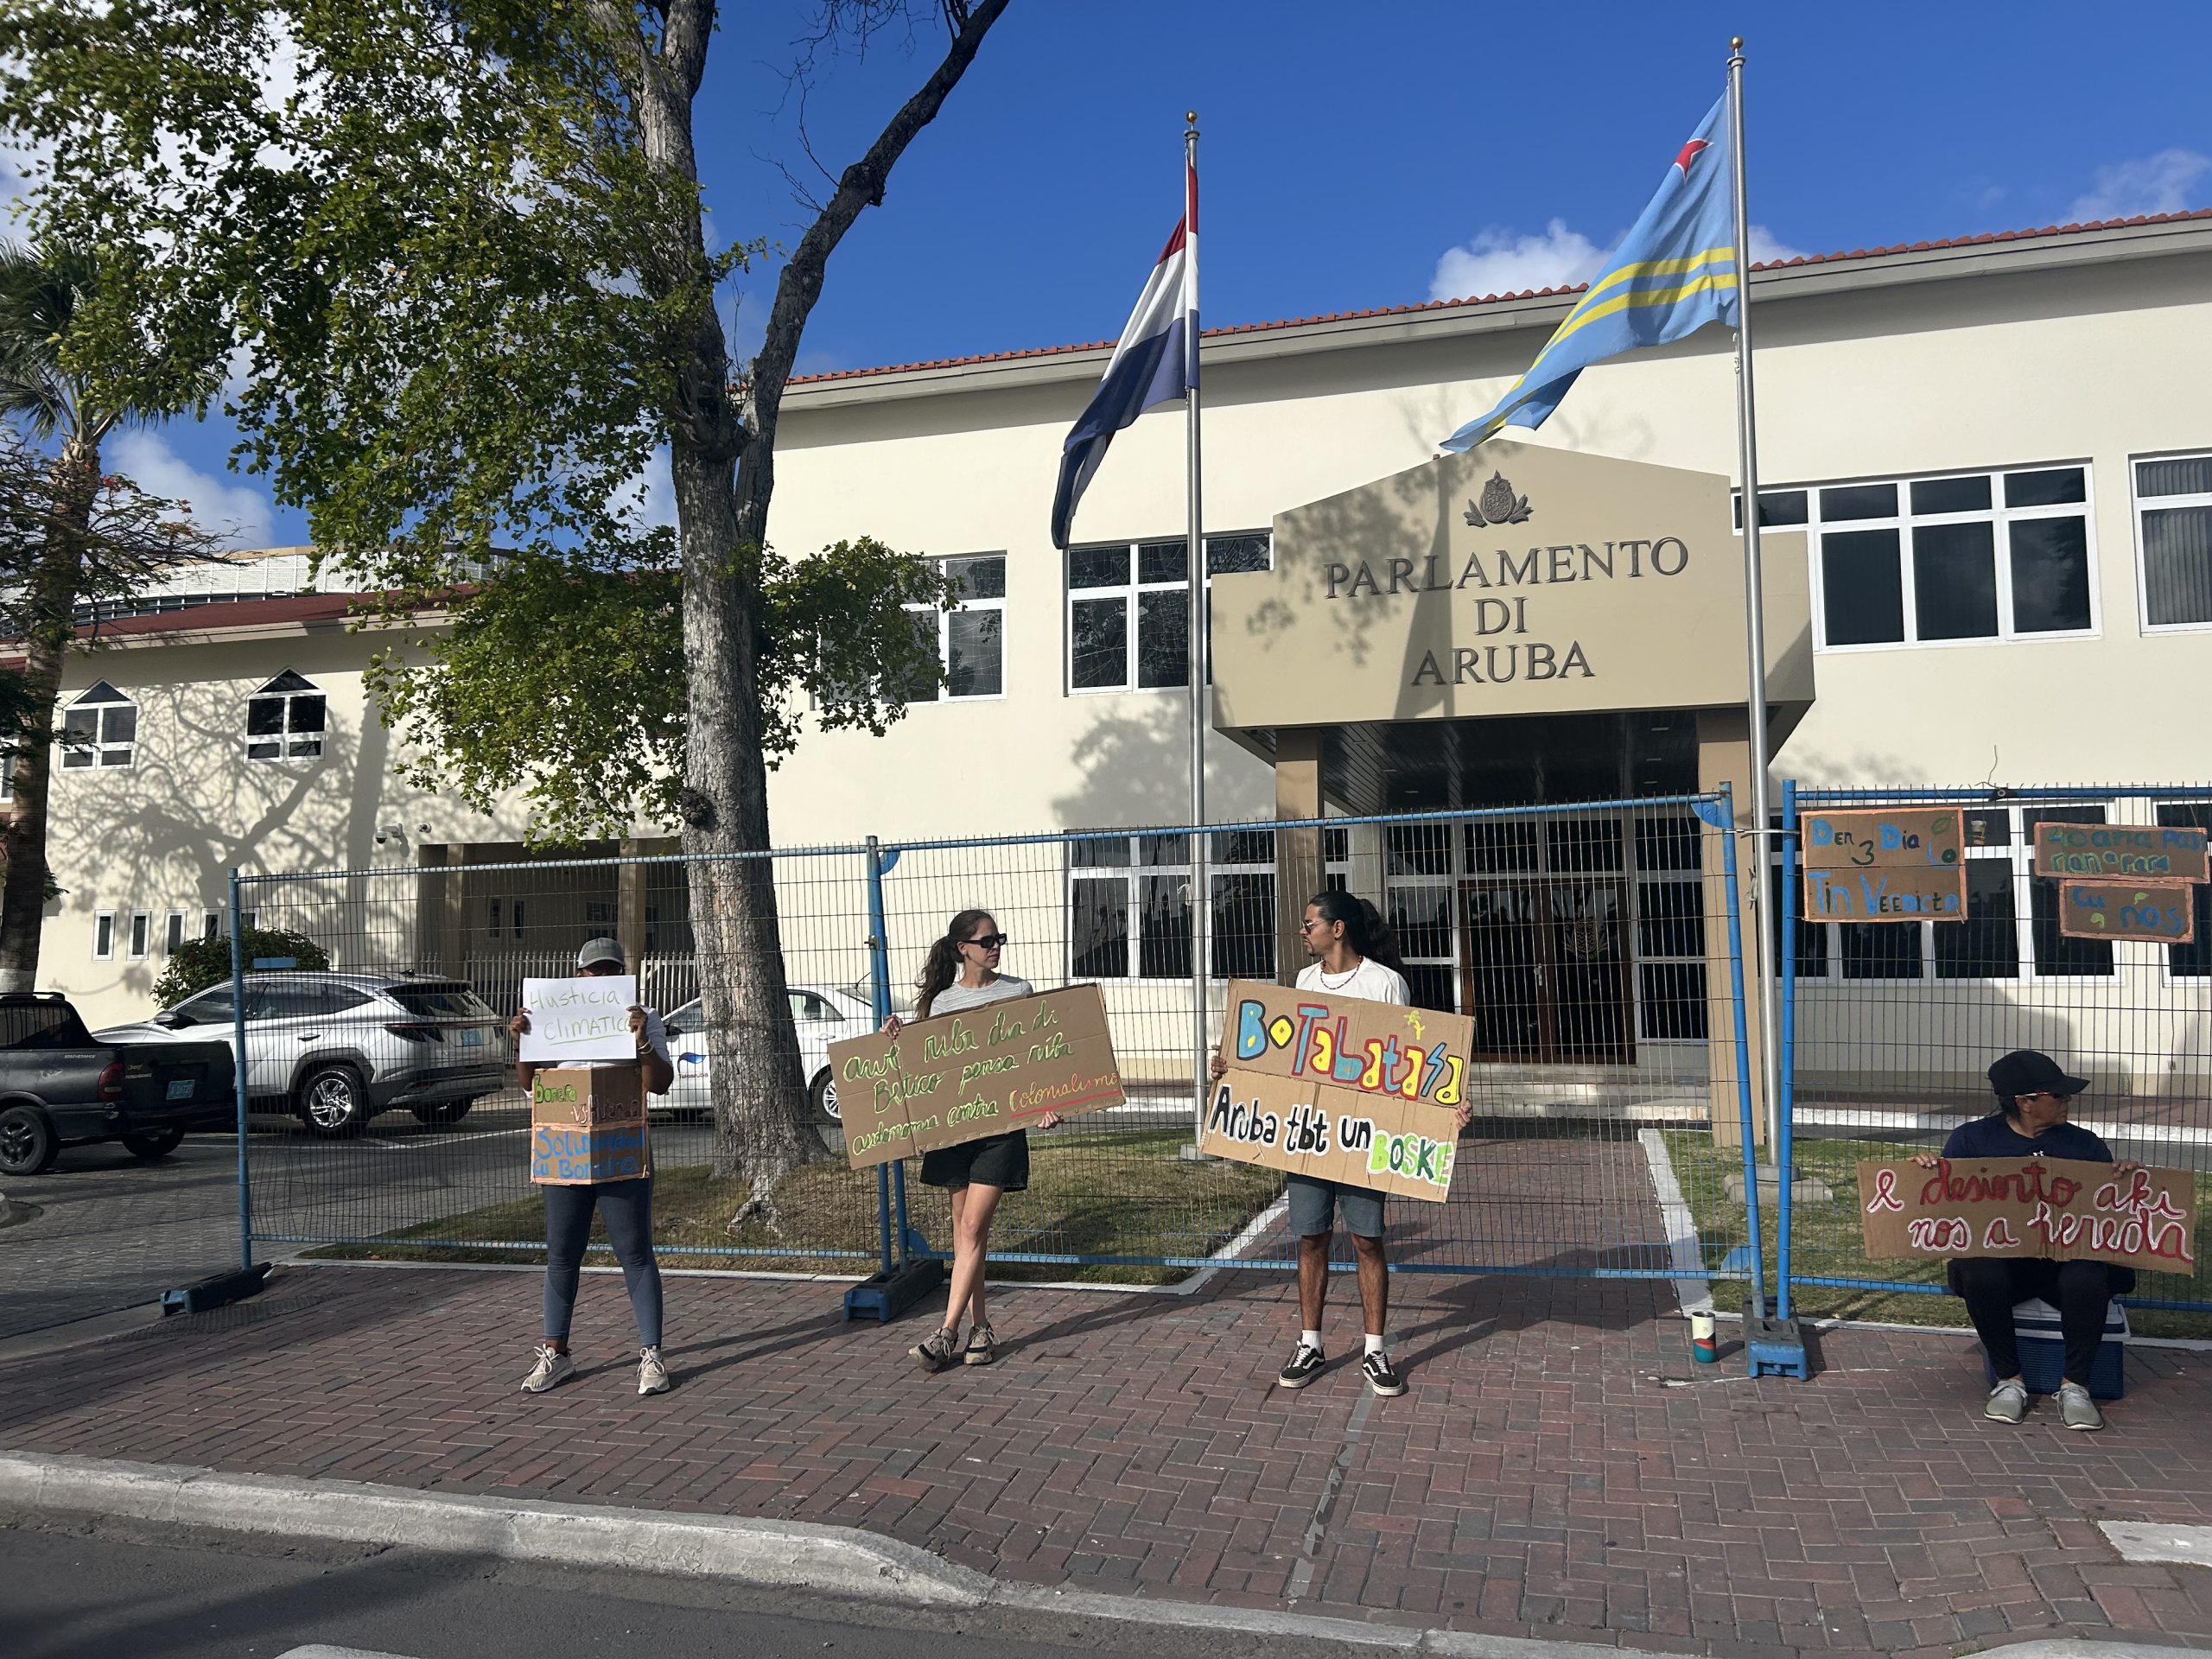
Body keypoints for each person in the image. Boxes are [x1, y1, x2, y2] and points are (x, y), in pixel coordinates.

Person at [1212, 889, 1474, 1397]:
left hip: (1366, 1137)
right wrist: (1233, 1068)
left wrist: (1446, 1106)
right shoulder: (1303, 983)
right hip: (1310, 1134)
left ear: (1338, 929)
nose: (1303, 931)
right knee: (1311, 1237)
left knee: (1366, 1240)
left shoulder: (1384, 984)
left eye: (1310, 923)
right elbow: (1281, 1056)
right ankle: (1310, 1342)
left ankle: (1375, 1350)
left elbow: (1409, 1060)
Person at [1911, 1049, 2140, 1432]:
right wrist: (1928, 1174)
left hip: (2062, 1264)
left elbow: (2103, 1214)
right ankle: (2009, 1380)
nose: (2068, 1101)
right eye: (2059, 1095)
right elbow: (1951, 1210)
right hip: (2006, 1267)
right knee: (1979, 1269)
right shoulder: (1971, 1140)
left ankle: (2075, 1386)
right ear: (2026, 1102)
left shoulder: (2084, 1144)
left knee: (2087, 1274)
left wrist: (2123, 1178)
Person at [884, 908, 1058, 1374]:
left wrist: (1047, 1101)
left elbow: (1034, 1055)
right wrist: (895, 1039)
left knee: (972, 1230)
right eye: (986, 940)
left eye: (999, 938)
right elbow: (928, 1067)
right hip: (955, 1130)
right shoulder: (942, 1004)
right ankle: (982, 1328)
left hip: (1000, 1132)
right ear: (964, 949)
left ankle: (946, 1333)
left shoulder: (1018, 991)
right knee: (966, 1235)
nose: (996, 946)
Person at [508, 937, 677, 1397]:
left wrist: (641, 1041)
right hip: (563, 1150)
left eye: (609, 971)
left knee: (635, 1252)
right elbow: (529, 1084)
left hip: (621, 1149)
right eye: (592, 971)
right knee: (562, 1253)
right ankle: (555, 1352)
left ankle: (651, 1355)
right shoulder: (550, 1019)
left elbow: (660, 1084)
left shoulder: (642, 1019)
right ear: (578, 974)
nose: (600, 978)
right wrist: (520, 1040)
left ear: (621, 975)